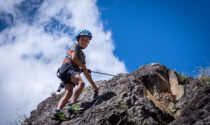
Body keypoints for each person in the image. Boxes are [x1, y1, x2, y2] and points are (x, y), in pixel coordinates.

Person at [53, 29, 99, 120]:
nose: (84, 42)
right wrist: (82, 66)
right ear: (78, 40)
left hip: (67, 72)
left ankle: (58, 111)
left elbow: (86, 73)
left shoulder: (83, 56)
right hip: (68, 67)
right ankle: (72, 106)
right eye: (83, 39)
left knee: (69, 92)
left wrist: (95, 87)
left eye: (87, 41)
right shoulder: (75, 45)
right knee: (81, 83)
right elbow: (73, 58)